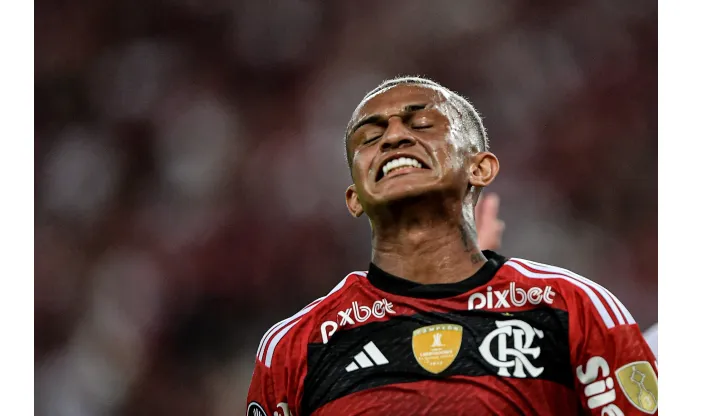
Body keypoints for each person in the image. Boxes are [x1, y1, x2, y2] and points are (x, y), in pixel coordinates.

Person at [247, 77, 657, 416]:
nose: (393, 137)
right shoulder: (293, 346)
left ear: (480, 168)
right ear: (354, 198)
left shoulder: (573, 307)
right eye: (370, 137)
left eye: (422, 124)